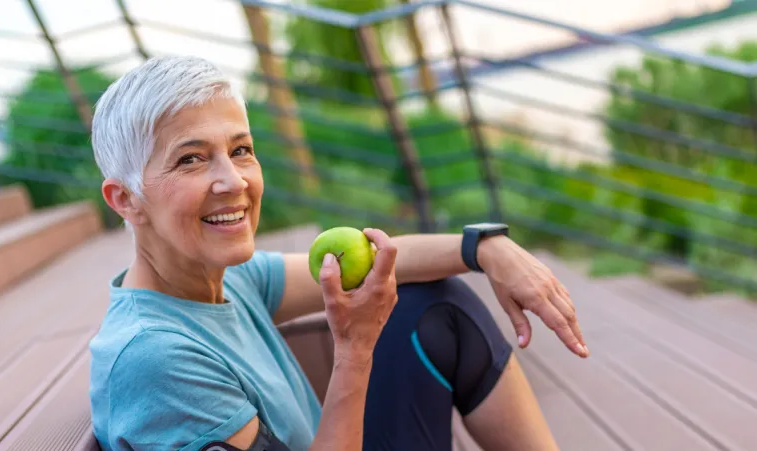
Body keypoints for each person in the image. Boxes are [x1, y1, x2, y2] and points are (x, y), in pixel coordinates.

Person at [88, 55, 589, 451]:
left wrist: (486, 247)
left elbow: (379, 260)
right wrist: (354, 350)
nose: (233, 179)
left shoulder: (220, 276)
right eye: (191, 159)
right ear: (126, 199)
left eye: (240, 150)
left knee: (434, 304)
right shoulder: (155, 361)